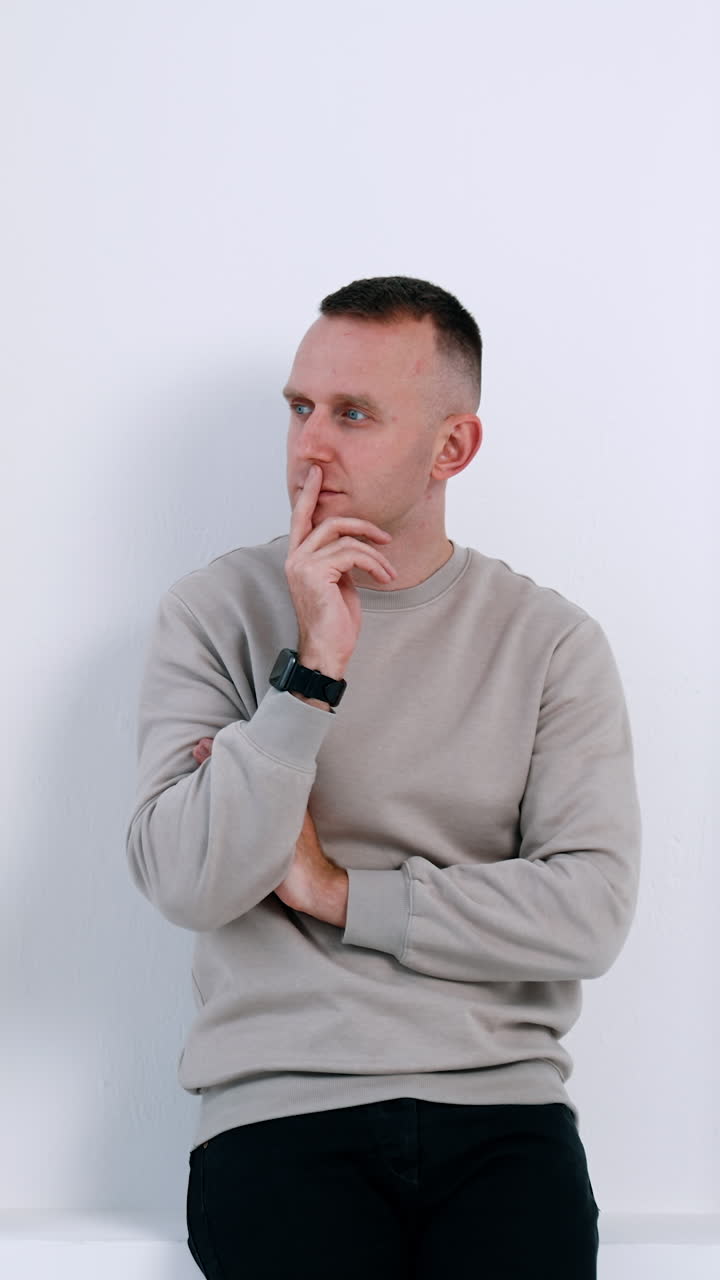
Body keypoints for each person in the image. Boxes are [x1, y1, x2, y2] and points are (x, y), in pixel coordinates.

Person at [125, 275, 641, 1278]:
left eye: (352, 413)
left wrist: (334, 891)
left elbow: (589, 912)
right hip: (280, 1109)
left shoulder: (550, 642)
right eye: (301, 408)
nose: (310, 443)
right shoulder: (214, 611)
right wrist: (311, 671)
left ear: (453, 448)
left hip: (502, 1111)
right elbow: (188, 879)